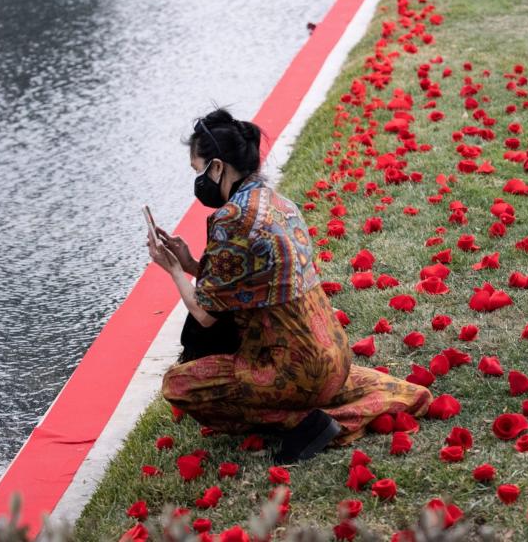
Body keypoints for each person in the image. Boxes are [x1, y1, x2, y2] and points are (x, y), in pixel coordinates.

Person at [147, 108, 432, 462]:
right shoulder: (278, 202)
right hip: (332, 356)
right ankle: (324, 406)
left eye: (198, 170)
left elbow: (206, 315)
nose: (198, 181)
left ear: (217, 167)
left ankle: (309, 421)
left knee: (179, 384)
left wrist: (174, 270)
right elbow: (249, 275)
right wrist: (192, 263)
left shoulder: (231, 217)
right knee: (365, 388)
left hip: (293, 370)